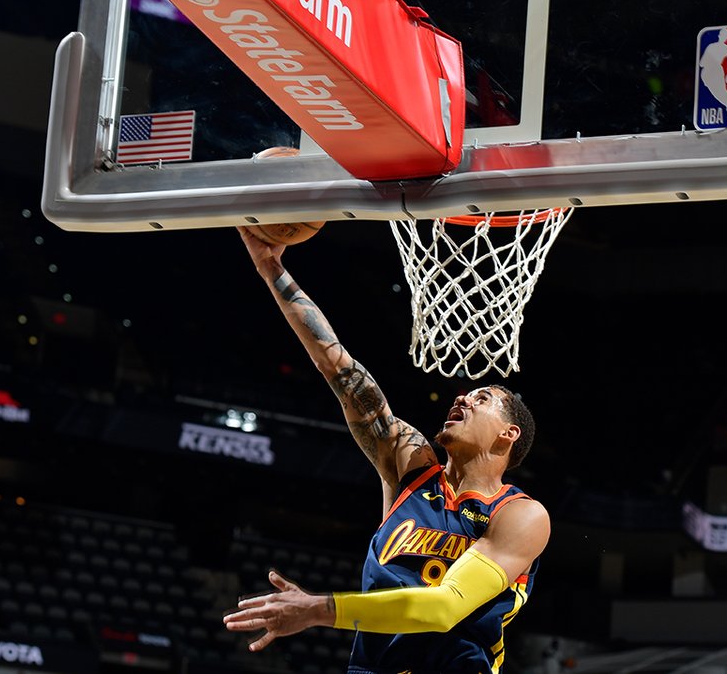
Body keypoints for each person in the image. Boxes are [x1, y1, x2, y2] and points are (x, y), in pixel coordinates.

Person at [222, 226, 552, 674]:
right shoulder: (410, 466)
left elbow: (445, 608)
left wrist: (317, 609)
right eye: (465, 394)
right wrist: (271, 270)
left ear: (508, 434)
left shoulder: (520, 515)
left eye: (482, 398)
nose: (462, 398)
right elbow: (337, 368)